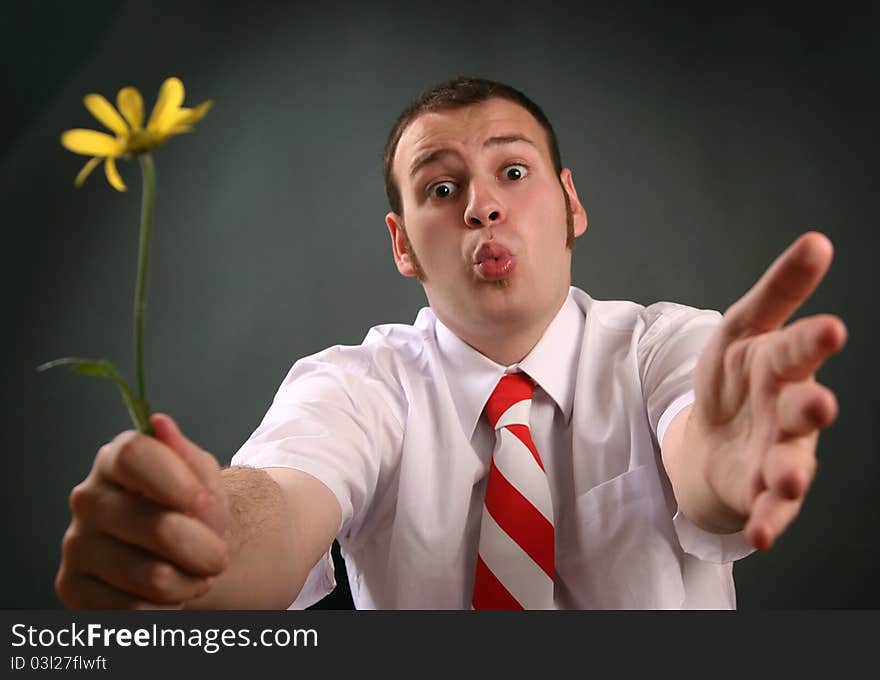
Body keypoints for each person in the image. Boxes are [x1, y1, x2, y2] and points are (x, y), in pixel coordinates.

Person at [54, 77, 847, 610]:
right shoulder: (356, 386)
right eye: (443, 187)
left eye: (512, 171)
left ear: (570, 206)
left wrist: (726, 454)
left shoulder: (671, 346)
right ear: (403, 245)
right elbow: (279, 504)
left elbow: (703, 453)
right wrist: (198, 531)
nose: (481, 208)